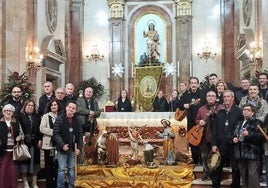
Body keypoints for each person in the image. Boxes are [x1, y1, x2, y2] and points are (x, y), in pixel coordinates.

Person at [211, 90, 243, 188]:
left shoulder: (239, 112)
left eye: (228, 96)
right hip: (220, 146)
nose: (226, 99)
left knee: (236, 170)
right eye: (224, 97)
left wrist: (237, 137)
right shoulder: (219, 113)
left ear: (233, 98)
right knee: (216, 169)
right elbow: (214, 130)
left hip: (234, 146)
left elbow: (241, 128)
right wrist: (214, 144)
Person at [53, 101, 83, 188]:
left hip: (73, 149)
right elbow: (56, 134)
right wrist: (62, 145)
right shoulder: (60, 118)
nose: (71, 109)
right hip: (62, 148)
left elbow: (80, 135)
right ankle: (60, 186)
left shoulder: (77, 120)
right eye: (69, 107)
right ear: (66, 107)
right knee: (61, 169)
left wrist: (79, 148)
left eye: (73, 108)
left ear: (75, 110)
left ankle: (71, 186)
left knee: (71, 169)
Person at [233, 104, 264, 188]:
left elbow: (261, 137)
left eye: (248, 110)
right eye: (244, 110)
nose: (245, 111)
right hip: (240, 153)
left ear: (252, 112)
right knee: (244, 177)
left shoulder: (257, 122)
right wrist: (234, 138)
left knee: (252, 177)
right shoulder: (239, 123)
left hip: (252, 153)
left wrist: (249, 134)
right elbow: (234, 134)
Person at [195, 90, 221, 181]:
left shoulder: (220, 108)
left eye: (212, 96)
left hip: (216, 137)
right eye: (209, 96)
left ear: (216, 98)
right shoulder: (201, 109)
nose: (210, 97)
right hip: (204, 136)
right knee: (204, 156)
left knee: (215, 156)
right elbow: (197, 119)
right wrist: (200, 121)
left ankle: (215, 174)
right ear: (206, 98)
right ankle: (206, 172)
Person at [179, 77, 205, 164]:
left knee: (201, 140)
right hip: (190, 121)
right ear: (189, 85)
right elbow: (178, 105)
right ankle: (195, 159)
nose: (193, 85)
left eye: (195, 83)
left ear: (197, 84)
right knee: (192, 140)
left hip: (201, 121)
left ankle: (202, 159)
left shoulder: (202, 94)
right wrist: (183, 105)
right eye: (192, 83)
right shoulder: (186, 95)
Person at [18, 99, 42, 188]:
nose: (30, 107)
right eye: (28, 105)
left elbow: (40, 130)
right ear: (25, 106)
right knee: (24, 163)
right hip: (24, 144)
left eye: (32, 105)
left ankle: (34, 183)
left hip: (35, 143)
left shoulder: (37, 116)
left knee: (35, 163)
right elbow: (18, 129)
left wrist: (40, 139)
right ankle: (25, 183)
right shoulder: (20, 117)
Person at [39, 98, 62, 188]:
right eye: (52, 105)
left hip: (59, 145)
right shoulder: (46, 116)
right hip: (48, 145)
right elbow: (42, 128)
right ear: (49, 106)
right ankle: (49, 185)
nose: (53, 106)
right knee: (48, 166)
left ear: (58, 106)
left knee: (58, 166)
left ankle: (57, 184)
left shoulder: (61, 116)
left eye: (55, 105)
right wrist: (54, 132)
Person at [0, 104, 22, 188]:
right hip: (2, 150)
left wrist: (20, 137)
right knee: (3, 169)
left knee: (13, 171)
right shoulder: (0, 122)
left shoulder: (16, 122)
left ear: (13, 113)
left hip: (14, 150)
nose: (8, 112)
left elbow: (21, 134)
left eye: (10, 111)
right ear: (3, 112)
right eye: (6, 111)